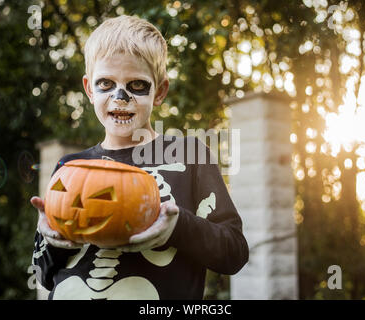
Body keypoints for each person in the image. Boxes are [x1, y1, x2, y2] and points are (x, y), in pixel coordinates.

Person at [30, 15, 248, 300]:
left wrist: (178, 226)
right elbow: (42, 272)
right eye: (105, 83)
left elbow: (234, 252)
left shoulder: (190, 157)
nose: (120, 97)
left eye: (137, 85)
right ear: (88, 89)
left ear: (159, 92)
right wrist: (53, 239)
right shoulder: (69, 168)